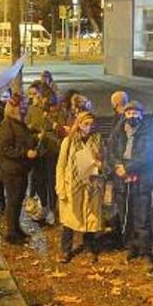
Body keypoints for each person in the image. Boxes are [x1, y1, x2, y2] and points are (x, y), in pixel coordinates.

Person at [107, 101, 153, 261]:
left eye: (135, 113)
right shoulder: (118, 130)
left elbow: (147, 154)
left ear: (141, 114)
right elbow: (110, 151)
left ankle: (146, 252)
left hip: (140, 179)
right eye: (129, 113)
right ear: (124, 114)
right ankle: (131, 246)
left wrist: (128, 168)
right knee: (126, 216)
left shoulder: (148, 131)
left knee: (142, 217)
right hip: (121, 180)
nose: (132, 116)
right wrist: (117, 166)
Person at [56, 111, 105, 262]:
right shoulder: (69, 141)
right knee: (69, 219)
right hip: (72, 185)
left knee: (90, 218)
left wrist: (100, 165)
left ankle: (89, 247)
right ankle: (66, 250)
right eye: (85, 124)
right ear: (79, 124)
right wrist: (60, 189)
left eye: (91, 124)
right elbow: (61, 165)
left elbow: (103, 160)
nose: (89, 127)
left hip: (92, 185)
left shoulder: (97, 140)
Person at [0, 92, 38, 244]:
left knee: (18, 200)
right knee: (13, 201)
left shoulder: (19, 123)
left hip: (21, 169)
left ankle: (16, 228)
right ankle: (11, 233)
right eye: (22, 107)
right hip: (11, 170)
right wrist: (25, 153)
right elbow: (5, 148)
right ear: (13, 109)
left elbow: (22, 140)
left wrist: (34, 138)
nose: (25, 109)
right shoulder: (7, 125)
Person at [27, 84, 63, 226]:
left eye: (39, 96)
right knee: (39, 181)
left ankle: (53, 210)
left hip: (52, 151)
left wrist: (51, 122)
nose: (37, 99)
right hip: (39, 151)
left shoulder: (56, 111)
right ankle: (43, 206)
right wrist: (35, 134)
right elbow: (27, 129)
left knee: (52, 181)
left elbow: (61, 130)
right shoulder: (32, 110)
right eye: (37, 96)